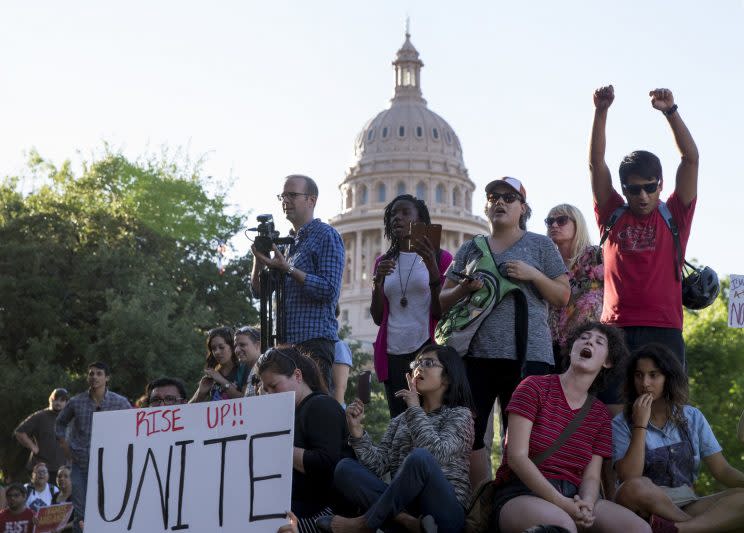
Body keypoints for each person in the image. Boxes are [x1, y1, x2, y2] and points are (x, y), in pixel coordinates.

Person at [440, 176, 569, 485]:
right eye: (493, 196)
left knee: (526, 438)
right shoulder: (471, 248)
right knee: (470, 435)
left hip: (529, 356)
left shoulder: (540, 245)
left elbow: (562, 296)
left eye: (508, 197)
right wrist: (463, 289)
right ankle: (481, 502)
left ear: (522, 208)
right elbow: (442, 301)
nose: (499, 201)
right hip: (477, 355)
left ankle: (517, 500)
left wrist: (533, 274)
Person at [589, 85, 699, 406]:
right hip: (616, 329)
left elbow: (690, 158)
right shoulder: (612, 213)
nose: (643, 196)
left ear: (660, 185)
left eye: (650, 188)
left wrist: (670, 111)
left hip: (663, 328)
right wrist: (601, 111)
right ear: (623, 189)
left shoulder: (674, 215)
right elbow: (597, 164)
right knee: (611, 416)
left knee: (666, 415)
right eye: (634, 189)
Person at [492, 322, 650, 533]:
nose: (589, 342)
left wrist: (587, 505)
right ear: (572, 347)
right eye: (584, 337)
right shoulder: (534, 387)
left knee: (638, 529)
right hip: (522, 492)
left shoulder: (600, 414)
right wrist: (562, 503)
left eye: (599, 342)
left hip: (575, 495)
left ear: (608, 361)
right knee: (563, 527)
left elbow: (592, 477)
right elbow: (517, 458)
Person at [317, 344, 475, 533]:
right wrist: (357, 432)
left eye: (428, 363)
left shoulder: (460, 415)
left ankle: (364, 524)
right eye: (416, 363)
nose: (419, 368)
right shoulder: (401, 420)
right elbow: (379, 466)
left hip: (443, 513)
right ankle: (408, 523)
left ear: (448, 377)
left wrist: (415, 409)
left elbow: (436, 454)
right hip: (405, 507)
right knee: (345, 469)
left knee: (421, 458)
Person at [613, 343, 744, 532]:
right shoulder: (621, 423)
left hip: (688, 502)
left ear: (669, 378)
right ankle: (693, 526)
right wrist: (640, 424)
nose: (645, 383)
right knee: (634, 486)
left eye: (653, 375)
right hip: (642, 506)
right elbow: (629, 477)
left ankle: (677, 529)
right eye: (638, 375)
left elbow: (722, 470)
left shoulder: (693, 417)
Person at [251, 174, 345, 389]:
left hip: (314, 342)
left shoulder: (326, 235)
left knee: (313, 409)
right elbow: (259, 292)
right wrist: (258, 259)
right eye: (283, 196)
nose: (286, 201)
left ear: (311, 200)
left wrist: (289, 269)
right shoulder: (286, 244)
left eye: (292, 195)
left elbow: (329, 290)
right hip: (284, 345)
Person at [371, 194, 453, 418]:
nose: (397, 218)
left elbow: (441, 312)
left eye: (405, 213)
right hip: (392, 351)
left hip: (426, 348)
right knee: (399, 421)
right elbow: (378, 317)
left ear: (420, 221)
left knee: (429, 418)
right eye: (394, 214)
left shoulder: (442, 258)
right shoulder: (383, 261)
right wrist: (377, 283)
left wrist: (433, 270)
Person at [256, 345, 350, 529]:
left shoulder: (321, 406)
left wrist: (277, 446)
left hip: (324, 516)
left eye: (274, 386)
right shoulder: (292, 413)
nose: (270, 394)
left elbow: (326, 464)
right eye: (266, 389)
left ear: (297, 376)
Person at [55, 361, 131, 533]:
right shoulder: (76, 402)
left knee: (108, 508)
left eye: (99, 373)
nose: (94, 377)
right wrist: (64, 446)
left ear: (107, 377)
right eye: (91, 373)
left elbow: (133, 424)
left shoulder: (120, 402)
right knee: (81, 512)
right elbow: (60, 423)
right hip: (80, 464)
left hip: (109, 466)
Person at [545, 204, 604, 362]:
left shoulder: (596, 255)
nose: (554, 225)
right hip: (552, 346)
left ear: (577, 224)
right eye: (549, 222)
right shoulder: (546, 265)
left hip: (589, 342)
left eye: (562, 220)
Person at [14, 388, 69, 481]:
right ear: (50, 400)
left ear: (66, 403)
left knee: (61, 495)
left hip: (62, 469)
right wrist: (33, 447)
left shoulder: (70, 418)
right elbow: (20, 432)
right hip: (41, 469)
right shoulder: (40, 416)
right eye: (55, 399)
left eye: (62, 400)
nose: (58, 403)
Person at [189, 327, 248, 402]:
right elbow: (188, 410)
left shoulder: (243, 369)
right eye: (213, 348)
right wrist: (200, 393)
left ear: (232, 347)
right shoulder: (212, 375)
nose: (217, 352)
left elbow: (247, 400)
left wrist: (222, 381)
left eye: (221, 347)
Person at [234, 325, 262, 397]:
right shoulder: (253, 370)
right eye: (235, 346)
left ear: (257, 345)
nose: (236, 350)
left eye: (242, 345)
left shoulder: (267, 368)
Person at [52, 466, 74, 531]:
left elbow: (80, 519)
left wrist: (63, 527)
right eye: (59, 476)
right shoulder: (55, 496)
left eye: (66, 476)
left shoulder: (77, 497)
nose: (61, 479)